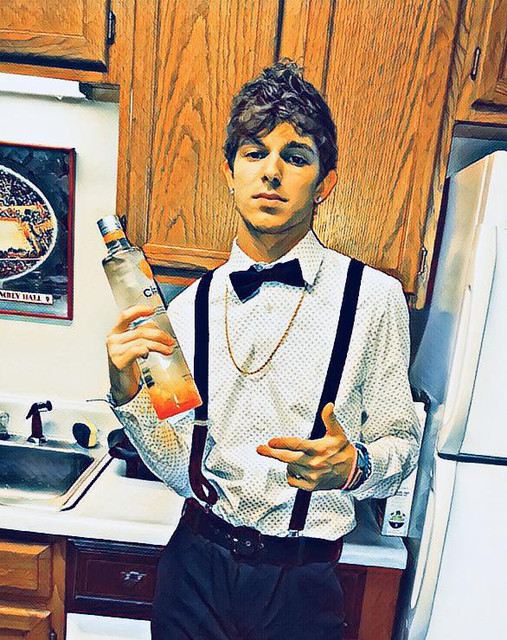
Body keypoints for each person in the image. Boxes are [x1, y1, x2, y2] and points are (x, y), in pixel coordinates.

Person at [105, 59, 421, 639]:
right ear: (230, 172)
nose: (271, 171)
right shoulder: (189, 308)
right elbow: (180, 466)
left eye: (295, 157)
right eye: (254, 153)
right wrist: (126, 394)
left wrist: (355, 467)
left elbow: (402, 444)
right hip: (193, 570)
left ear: (324, 184)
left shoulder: (373, 299)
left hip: (301, 587)